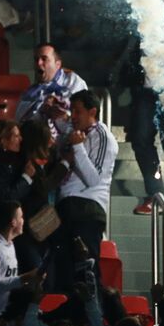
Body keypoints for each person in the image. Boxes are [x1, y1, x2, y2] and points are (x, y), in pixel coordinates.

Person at [54, 90, 118, 283]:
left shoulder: (102, 136)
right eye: (71, 111)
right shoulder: (77, 134)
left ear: (93, 112)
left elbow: (93, 178)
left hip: (86, 209)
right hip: (66, 206)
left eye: (78, 111)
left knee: (85, 272)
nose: (73, 116)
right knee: (63, 272)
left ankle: (93, 313)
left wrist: (78, 147)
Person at [16, 44, 89, 138]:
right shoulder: (30, 93)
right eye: (36, 59)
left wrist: (64, 114)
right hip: (40, 144)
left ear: (57, 64)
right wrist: (42, 109)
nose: (38, 63)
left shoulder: (73, 82)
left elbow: (84, 118)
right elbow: (20, 121)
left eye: (44, 59)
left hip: (69, 142)